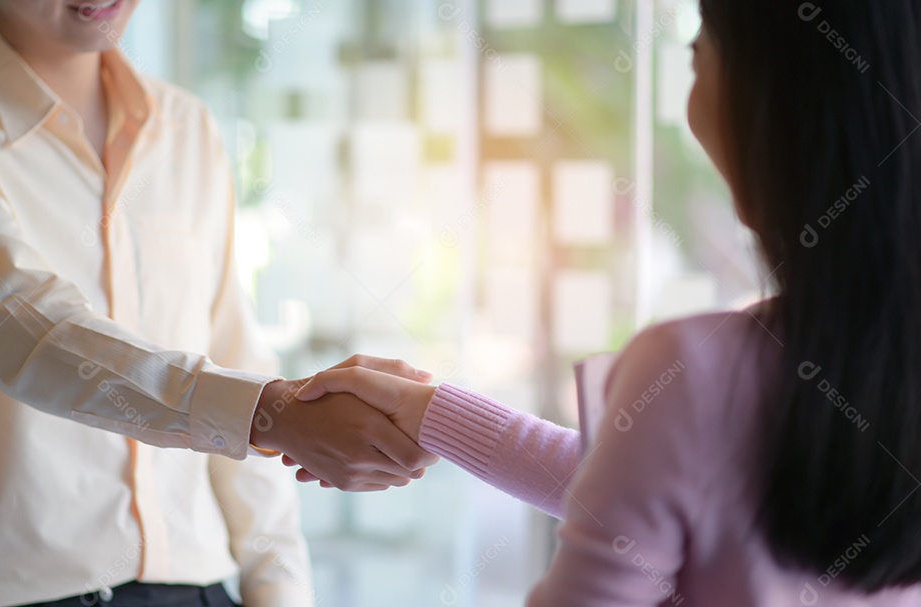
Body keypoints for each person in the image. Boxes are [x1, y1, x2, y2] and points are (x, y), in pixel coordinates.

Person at [294, 0, 921, 605]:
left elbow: (664, 473)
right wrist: (435, 413)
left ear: (771, 98)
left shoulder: (695, 369)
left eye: (697, 53)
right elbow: (649, 482)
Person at [0, 1, 437, 606]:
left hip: (200, 588)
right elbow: (31, 333)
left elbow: (233, 349)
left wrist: (279, 586)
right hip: (11, 596)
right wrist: (270, 413)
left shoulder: (187, 127)